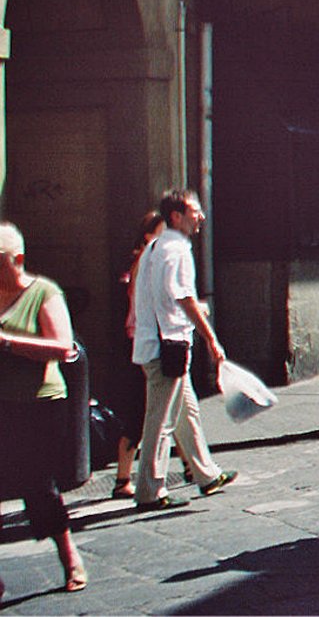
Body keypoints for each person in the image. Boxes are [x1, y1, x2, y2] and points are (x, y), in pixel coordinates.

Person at [131, 188, 236, 510]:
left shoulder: (154, 247)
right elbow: (184, 297)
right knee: (161, 421)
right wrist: (211, 338)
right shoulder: (176, 249)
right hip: (168, 347)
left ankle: (207, 474)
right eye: (194, 211)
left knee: (187, 413)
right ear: (176, 216)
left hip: (160, 343)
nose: (201, 216)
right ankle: (149, 491)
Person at [0, 222, 87, 593]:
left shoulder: (43, 292)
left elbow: (62, 347)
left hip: (39, 404)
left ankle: (70, 557)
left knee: (37, 487)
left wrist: (7, 343)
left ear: (17, 259)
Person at [112, 208, 168, 500]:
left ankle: (194, 466)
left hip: (146, 340)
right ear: (148, 235)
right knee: (141, 409)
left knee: (169, 405)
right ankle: (123, 479)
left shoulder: (150, 260)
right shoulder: (147, 262)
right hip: (143, 342)